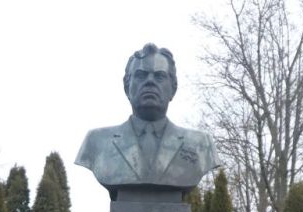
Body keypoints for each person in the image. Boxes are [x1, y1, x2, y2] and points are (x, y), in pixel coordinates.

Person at [75, 43, 218, 192]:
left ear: (173, 89)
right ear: (127, 87)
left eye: (159, 76)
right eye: (141, 75)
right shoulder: (97, 141)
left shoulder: (201, 144)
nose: (150, 81)